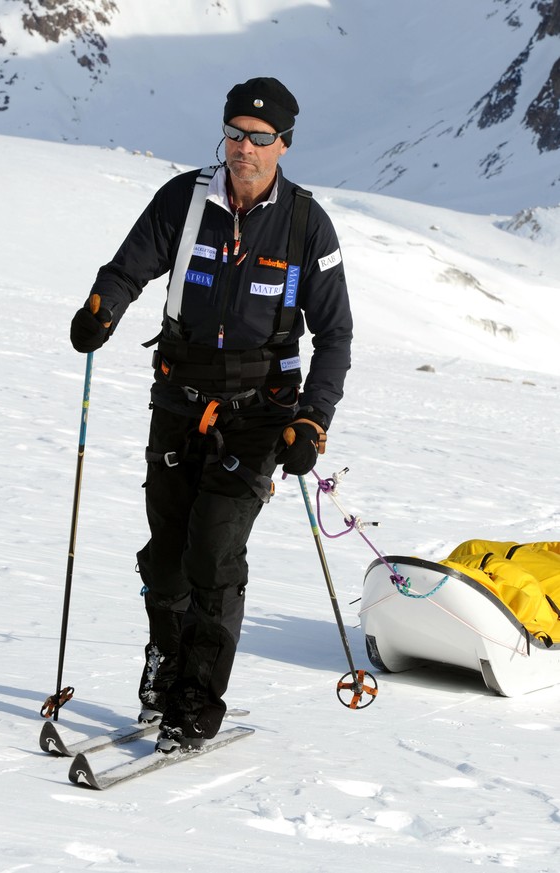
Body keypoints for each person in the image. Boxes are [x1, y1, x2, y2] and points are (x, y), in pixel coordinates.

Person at [70, 76, 352, 752]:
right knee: (165, 557)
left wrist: (313, 419)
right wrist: (100, 309)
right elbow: (128, 267)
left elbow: (335, 334)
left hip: (260, 413)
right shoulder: (184, 200)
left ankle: (198, 698)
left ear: (283, 144)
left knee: (214, 550)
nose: (243, 148)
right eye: (234, 133)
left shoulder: (306, 223)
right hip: (177, 398)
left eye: (259, 138)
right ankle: (165, 668)